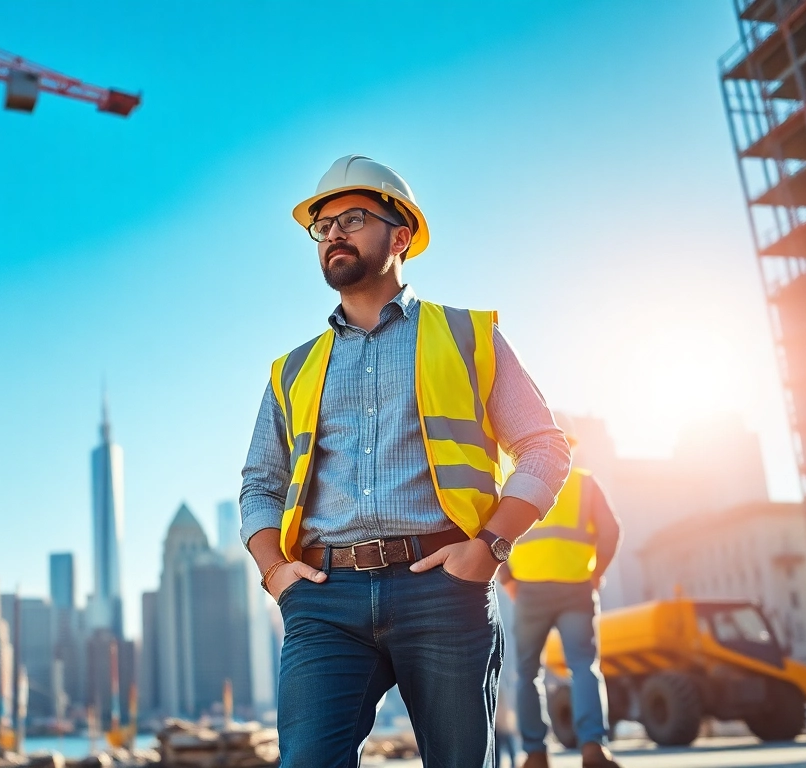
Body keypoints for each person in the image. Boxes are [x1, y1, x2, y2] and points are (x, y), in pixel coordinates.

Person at [240, 154, 571, 767]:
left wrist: (489, 548)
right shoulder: (291, 369)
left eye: (353, 217)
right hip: (324, 598)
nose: (333, 232)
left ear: (401, 235)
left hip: (442, 588)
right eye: (323, 224)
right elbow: (260, 483)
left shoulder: (468, 335)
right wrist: (275, 575)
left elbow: (544, 448)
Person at [500, 420, 623, 768]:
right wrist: (595, 575)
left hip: (530, 592)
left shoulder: (515, 484)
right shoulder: (585, 483)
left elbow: (493, 532)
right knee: (584, 667)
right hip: (575, 588)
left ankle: (535, 754)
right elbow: (612, 532)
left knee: (527, 673)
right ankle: (592, 749)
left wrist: (508, 579)